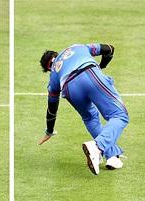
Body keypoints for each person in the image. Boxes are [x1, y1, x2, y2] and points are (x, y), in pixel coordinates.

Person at [38, 43, 128, 175]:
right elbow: (109, 49)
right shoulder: (77, 47)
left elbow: (52, 107)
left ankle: (112, 156)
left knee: (90, 118)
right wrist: (102, 66)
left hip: (69, 89)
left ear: (48, 68)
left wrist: (49, 130)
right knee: (120, 115)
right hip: (89, 73)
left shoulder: (53, 75)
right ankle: (97, 147)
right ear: (56, 54)